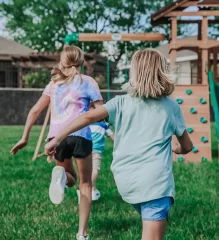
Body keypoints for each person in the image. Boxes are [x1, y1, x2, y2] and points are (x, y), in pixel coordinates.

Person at [45, 48, 193, 240]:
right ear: (162, 72)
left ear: (134, 73)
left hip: (126, 182)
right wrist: (177, 148)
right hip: (156, 184)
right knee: (154, 221)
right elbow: (187, 146)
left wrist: (57, 138)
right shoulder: (171, 106)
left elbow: (88, 116)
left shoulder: (120, 103)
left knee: (156, 218)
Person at [11, 46, 102, 240]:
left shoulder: (54, 84)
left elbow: (35, 111)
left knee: (69, 177)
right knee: (85, 184)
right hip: (81, 136)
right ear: (81, 62)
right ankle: (82, 234)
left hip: (56, 139)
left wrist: (24, 137)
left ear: (62, 62)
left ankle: (61, 177)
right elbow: (100, 112)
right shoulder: (89, 82)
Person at [77, 102, 114, 203]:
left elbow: (113, 137)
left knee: (88, 172)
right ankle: (83, 189)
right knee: (95, 171)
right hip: (92, 150)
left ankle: (92, 190)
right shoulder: (101, 125)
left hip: (88, 150)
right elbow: (113, 138)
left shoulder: (100, 125)